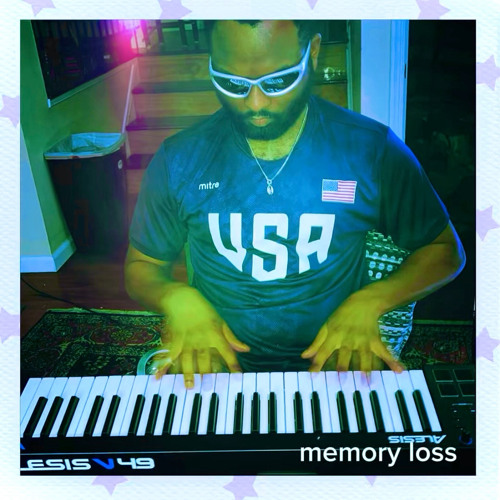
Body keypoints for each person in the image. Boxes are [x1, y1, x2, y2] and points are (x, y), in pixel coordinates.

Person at [124, 20, 465, 388]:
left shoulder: (369, 150)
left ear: (312, 53)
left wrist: (372, 300)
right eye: (233, 83)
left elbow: (445, 250)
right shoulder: (179, 159)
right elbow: (142, 265)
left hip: (335, 354)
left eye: (278, 81)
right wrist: (176, 297)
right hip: (218, 355)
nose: (255, 104)